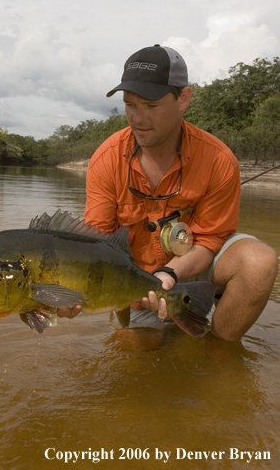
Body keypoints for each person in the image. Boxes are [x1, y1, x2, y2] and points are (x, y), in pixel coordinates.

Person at [60, 44, 278, 341]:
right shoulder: (106, 158)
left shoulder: (218, 160)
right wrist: (70, 293)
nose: (137, 118)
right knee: (133, 371)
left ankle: (218, 354)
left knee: (259, 262)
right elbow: (95, 241)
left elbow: (210, 240)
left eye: (151, 106)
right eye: (130, 105)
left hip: (194, 267)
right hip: (132, 283)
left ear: (183, 98)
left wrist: (170, 274)